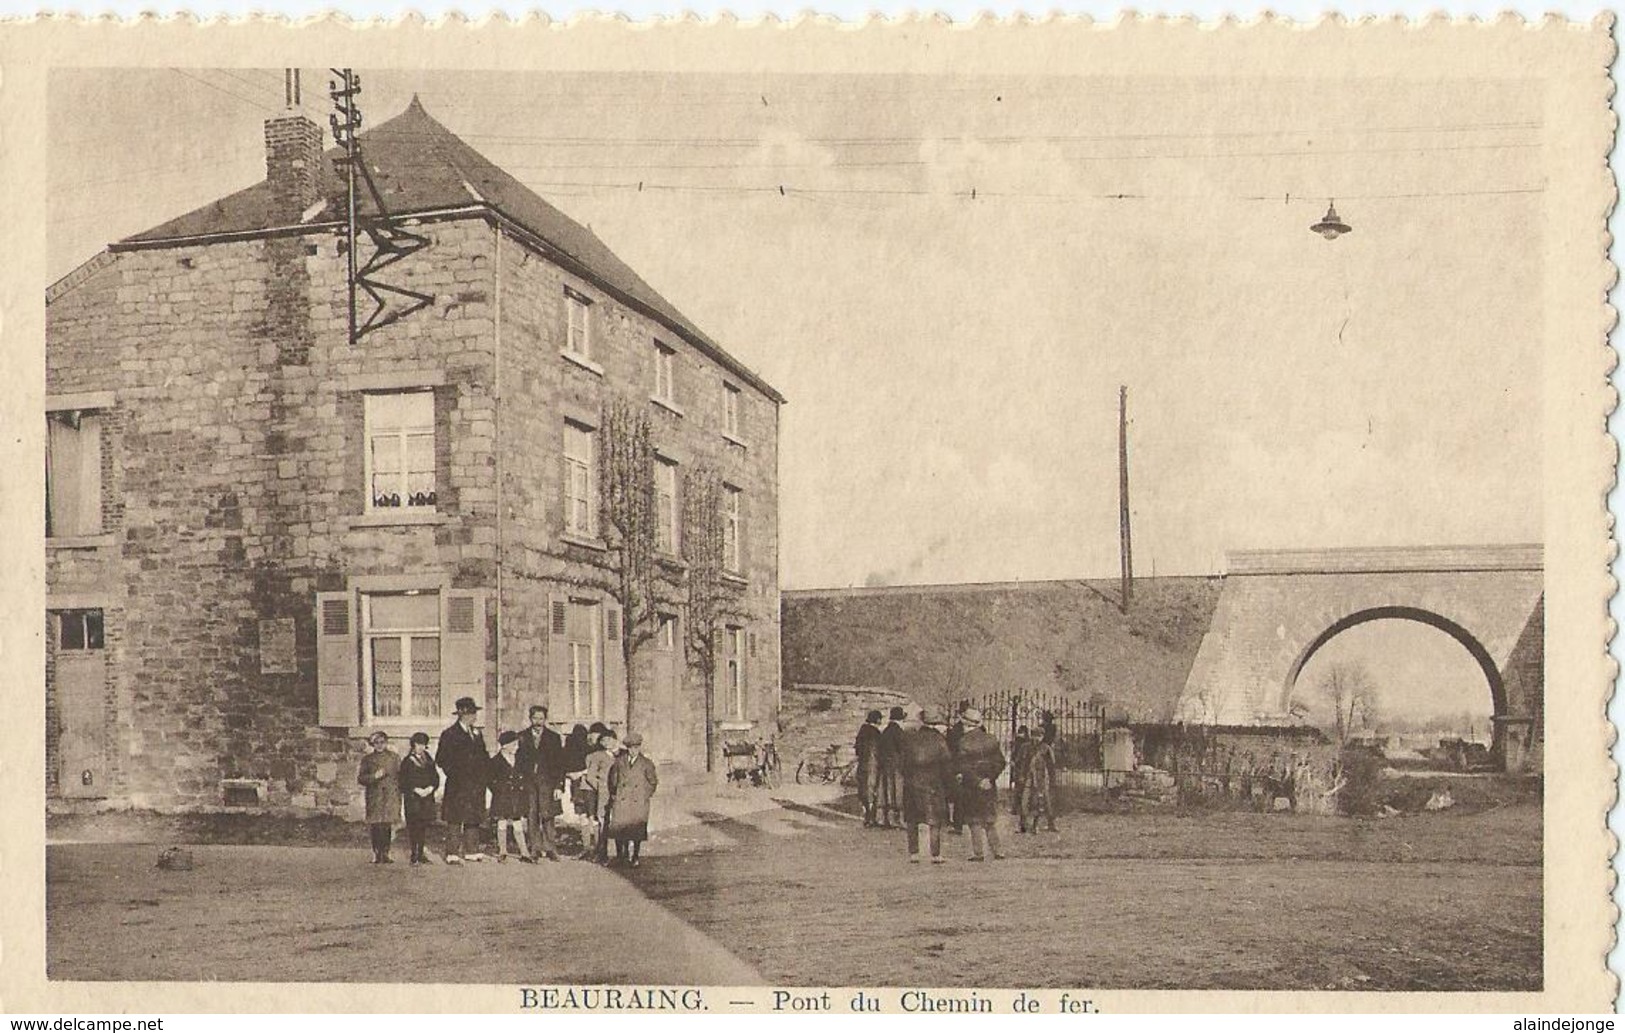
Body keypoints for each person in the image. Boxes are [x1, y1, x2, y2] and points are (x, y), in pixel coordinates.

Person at [437, 696, 490, 864]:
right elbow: (442, 759)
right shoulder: (449, 734)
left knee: (473, 816)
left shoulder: (476, 733)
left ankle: (471, 850)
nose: (475, 717)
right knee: (455, 817)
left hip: (476, 784)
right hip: (458, 784)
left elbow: (484, 756)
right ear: (463, 715)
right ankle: (452, 852)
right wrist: (456, 773)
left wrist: (483, 774)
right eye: (472, 713)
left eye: (475, 713)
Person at [900, 708, 954, 864]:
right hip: (933, 785)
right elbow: (947, 765)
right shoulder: (939, 741)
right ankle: (935, 854)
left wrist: (909, 777)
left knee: (912, 820)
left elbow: (902, 763)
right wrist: (948, 786)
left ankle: (914, 853)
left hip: (912, 784)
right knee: (934, 821)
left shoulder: (910, 739)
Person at [955, 708, 1007, 860]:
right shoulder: (991, 739)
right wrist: (990, 778)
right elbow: (1001, 762)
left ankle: (978, 853)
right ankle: (998, 851)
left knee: (974, 819)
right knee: (989, 819)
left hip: (972, 786)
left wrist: (977, 781)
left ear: (967, 723)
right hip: (989, 785)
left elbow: (963, 766)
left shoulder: (963, 742)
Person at [515, 704, 566, 862]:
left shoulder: (553, 737)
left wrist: (559, 785)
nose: (538, 722)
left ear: (546, 720)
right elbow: (518, 761)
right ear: (530, 719)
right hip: (529, 783)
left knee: (548, 815)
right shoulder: (522, 737)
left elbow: (559, 764)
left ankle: (550, 848)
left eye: (541, 719)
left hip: (548, 783)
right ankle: (535, 848)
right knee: (532, 814)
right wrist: (520, 781)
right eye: (535, 718)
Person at [605, 731, 659, 867]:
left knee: (636, 830)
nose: (633, 751)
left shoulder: (646, 763)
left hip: (638, 801)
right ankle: (622, 856)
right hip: (622, 800)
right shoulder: (619, 762)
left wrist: (644, 795)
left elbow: (653, 782)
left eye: (636, 747)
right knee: (620, 829)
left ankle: (635, 855)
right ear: (627, 748)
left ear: (639, 747)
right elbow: (613, 780)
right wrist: (615, 794)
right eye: (630, 748)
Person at [488, 731, 535, 863]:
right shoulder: (495, 761)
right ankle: (503, 851)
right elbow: (490, 780)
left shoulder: (519, 759)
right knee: (502, 822)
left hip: (517, 796)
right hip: (502, 797)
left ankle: (524, 852)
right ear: (505, 746)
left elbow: (526, 776)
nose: (517, 747)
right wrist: (499, 791)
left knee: (518, 822)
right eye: (514, 744)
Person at [356, 730, 401, 864]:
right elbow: (361, 778)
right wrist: (374, 777)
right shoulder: (368, 759)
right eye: (376, 743)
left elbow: (400, 776)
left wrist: (398, 793)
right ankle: (377, 853)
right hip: (375, 796)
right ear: (372, 744)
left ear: (386, 743)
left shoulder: (394, 758)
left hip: (389, 795)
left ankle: (386, 852)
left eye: (382, 742)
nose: (380, 745)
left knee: (386, 824)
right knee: (376, 825)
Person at [399, 731, 440, 865]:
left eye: (423, 745)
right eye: (418, 744)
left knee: (423, 826)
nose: (421, 747)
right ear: (413, 745)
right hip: (413, 799)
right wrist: (415, 789)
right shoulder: (407, 761)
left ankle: (421, 853)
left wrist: (430, 788)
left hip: (426, 799)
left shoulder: (428, 760)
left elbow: (435, 778)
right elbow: (403, 781)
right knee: (413, 826)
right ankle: (414, 853)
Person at [581, 728, 619, 862]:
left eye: (609, 739)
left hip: (620, 795)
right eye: (603, 740)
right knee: (603, 825)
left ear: (615, 740)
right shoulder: (597, 756)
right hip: (604, 795)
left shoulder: (621, 755)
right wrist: (602, 787)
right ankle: (602, 854)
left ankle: (622, 855)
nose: (607, 743)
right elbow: (590, 776)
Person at [1019, 729, 1058, 833]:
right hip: (1028, 777)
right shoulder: (1025, 747)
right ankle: (1023, 825)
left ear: (1042, 736)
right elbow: (1021, 763)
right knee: (1024, 801)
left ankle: (1050, 824)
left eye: (1039, 736)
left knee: (1045, 801)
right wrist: (1021, 776)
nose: (1036, 738)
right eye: (1034, 735)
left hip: (1042, 778)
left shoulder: (1046, 748)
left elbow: (1051, 766)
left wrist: (1052, 780)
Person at [877, 706, 908, 828]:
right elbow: (903, 750)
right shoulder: (899, 732)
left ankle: (884, 818)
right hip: (897, 766)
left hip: (885, 765)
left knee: (886, 790)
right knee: (897, 791)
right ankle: (897, 819)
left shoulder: (885, 731)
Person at [855, 710, 884, 827]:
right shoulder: (876, 733)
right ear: (877, 720)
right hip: (873, 765)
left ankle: (866, 815)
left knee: (863, 789)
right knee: (872, 790)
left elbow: (857, 749)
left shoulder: (862, 731)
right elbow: (880, 751)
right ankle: (871, 817)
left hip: (862, 764)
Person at [945, 707, 967, 834]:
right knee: (960, 795)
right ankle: (959, 822)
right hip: (962, 767)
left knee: (961, 795)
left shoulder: (955, 730)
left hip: (963, 767)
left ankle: (961, 822)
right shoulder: (956, 730)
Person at [1009, 725, 1035, 818]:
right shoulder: (1022, 742)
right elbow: (1015, 753)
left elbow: (1014, 754)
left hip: (1022, 767)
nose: (1021, 734)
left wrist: (1014, 761)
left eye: (1022, 732)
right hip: (1021, 767)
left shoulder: (1022, 742)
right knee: (1020, 788)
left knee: (1020, 788)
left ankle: (1016, 808)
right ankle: (1016, 808)